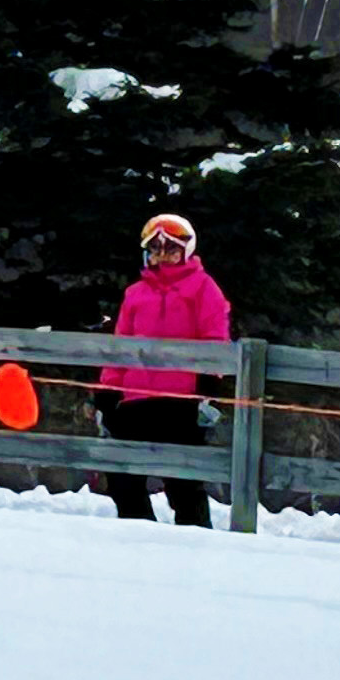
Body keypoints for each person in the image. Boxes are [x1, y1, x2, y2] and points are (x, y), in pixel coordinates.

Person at [99, 210, 232, 526]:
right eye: (156, 250)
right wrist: (107, 389)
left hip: (180, 399)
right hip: (135, 398)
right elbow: (120, 345)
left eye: (170, 249)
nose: (163, 256)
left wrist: (209, 380)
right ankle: (138, 531)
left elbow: (215, 335)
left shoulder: (203, 287)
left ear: (184, 251)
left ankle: (194, 538)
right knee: (123, 474)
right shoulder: (136, 293)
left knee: (184, 480)